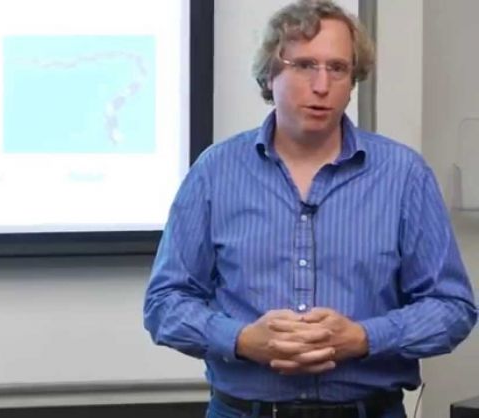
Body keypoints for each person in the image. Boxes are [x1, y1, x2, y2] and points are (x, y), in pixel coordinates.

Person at [143, 1, 477, 417]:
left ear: (353, 80)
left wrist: (364, 338)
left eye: (337, 68)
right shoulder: (215, 171)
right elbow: (165, 303)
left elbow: (452, 308)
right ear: (270, 74)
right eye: (304, 66)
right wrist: (242, 340)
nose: (322, 85)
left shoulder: (403, 174)